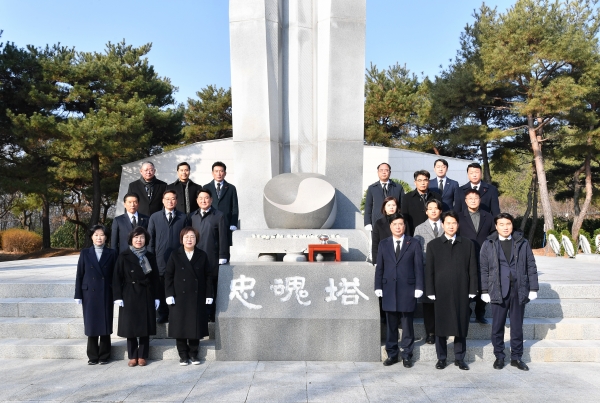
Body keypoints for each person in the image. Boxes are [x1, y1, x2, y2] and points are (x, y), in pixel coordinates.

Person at [480, 213, 539, 371]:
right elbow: (483, 269)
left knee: (517, 326)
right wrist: (484, 290)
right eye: (502, 224)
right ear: (496, 226)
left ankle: (516, 357)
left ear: (512, 225)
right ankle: (499, 356)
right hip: (497, 289)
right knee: (497, 326)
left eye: (508, 224)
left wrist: (533, 288)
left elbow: (531, 266)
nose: (505, 227)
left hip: (518, 289)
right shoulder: (488, 243)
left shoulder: (522, 242)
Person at [425, 210, 478, 371]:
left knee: (461, 325)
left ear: (458, 225)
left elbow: (472, 269)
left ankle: (459, 358)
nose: (451, 226)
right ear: (443, 225)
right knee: (441, 326)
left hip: (462, 290)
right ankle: (441, 358)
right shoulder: (433, 245)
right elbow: (429, 270)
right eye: (448, 223)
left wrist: (472, 289)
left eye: (454, 223)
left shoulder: (467, 244)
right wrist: (430, 290)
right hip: (441, 291)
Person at [374, 212, 423, 368]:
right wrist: (378, 286)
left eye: (400, 224)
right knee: (391, 325)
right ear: (390, 226)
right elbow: (379, 267)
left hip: (407, 289)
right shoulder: (383, 244)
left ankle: (407, 355)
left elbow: (418, 267)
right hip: (388, 289)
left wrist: (419, 287)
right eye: (395, 224)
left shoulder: (413, 243)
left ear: (404, 226)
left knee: (407, 325)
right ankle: (392, 354)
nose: (398, 227)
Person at [164, 227, 214, 365]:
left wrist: (209, 294)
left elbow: (208, 276)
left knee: (195, 326)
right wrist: (169, 294)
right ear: (182, 239)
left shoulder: (202, 255)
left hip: (197, 297)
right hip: (179, 297)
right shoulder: (175, 254)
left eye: (192, 236)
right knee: (180, 327)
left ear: (196, 239)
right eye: (186, 237)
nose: (189, 239)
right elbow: (168, 276)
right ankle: (183, 355)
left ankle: (193, 354)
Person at [113, 226, 160, 367]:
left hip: (146, 292)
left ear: (146, 240)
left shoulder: (150, 256)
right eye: (136, 237)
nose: (139, 240)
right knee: (130, 326)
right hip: (129, 293)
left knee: (145, 326)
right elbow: (116, 277)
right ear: (131, 239)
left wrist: (157, 296)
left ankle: (143, 355)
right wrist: (118, 296)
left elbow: (155, 278)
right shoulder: (124, 256)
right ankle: (133, 355)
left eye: (142, 237)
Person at [74, 225, 118, 365]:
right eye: (96, 235)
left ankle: (105, 355)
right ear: (91, 237)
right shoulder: (85, 253)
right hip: (89, 293)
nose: (99, 237)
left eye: (102, 235)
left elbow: (116, 275)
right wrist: (78, 294)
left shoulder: (112, 253)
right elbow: (80, 274)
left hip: (106, 291)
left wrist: (117, 293)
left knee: (105, 322)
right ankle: (92, 355)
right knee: (91, 323)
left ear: (106, 237)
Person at [148, 190, 188, 323]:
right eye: (167, 199)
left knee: (177, 285)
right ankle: (163, 313)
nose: (170, 201)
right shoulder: (154, 217)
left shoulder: (183, 217)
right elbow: (150, 239)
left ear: (176, 201)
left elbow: (187, 238)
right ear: (162, 201)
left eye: (173, 199)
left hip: (178, 258)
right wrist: (151, 257)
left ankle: (175, 312)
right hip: (160, 258)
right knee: (161, 286)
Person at [190, 188, 228, 322]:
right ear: (197, 200)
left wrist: (223, 255)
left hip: (212, 258)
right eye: (200, 198)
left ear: (211, 200)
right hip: (196, 258)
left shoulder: (219, 215)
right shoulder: (192, 216)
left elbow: (223, 237)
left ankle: (212, 314)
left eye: (206, 198)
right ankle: (200, 313)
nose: (203, 200)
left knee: (212, 286)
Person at [458, 189, 496, 324]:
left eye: (476, 198)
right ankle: (466, 311)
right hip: (465, 255)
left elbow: (493, 234)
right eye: (470, 198)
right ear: (465, 201)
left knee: (483, 283)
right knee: (465, 283)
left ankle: (480, 313)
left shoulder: (488, 216)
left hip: (484, 255)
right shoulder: (459, 216)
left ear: (480, 200)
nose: (473, 200)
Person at [412, 199, 444, 345]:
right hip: (426, 270)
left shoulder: (448, 225)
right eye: (430, 208)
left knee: (444, 302)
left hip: (445, 270)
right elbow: (417, 251)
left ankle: (443, 330)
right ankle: (430, 332)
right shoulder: (419, 229)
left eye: (436, 208)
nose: (433, 211)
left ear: (440, 210)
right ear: (426, 211)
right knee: (428, 304)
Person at [203, 161, 239, 247]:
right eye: (216, 171)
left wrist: (233, 223)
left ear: (225, 173)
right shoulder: (206, 187)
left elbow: (234, 207)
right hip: (210, 222)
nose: (219, 173)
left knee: (225, 249)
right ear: (212, 173)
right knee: (210, 247)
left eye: (221, 171)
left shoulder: (231, 188)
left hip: (225, 223)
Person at [364, 163, 404, 232]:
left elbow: (402, 205)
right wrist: (367, 223)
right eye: (381, 170)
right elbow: (368, 206)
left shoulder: (398, 187)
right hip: (377, 222)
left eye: (386, 170)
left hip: (395, 222)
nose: (384, 172)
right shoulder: (372, 188)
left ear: (390, 172)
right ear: (378, 172)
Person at [401, 170, 442, 236]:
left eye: (425, 180)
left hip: (433, 233)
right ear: (415, 182)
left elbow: (441, 216)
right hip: (413, 233)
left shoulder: (436, 196)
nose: (423, 183)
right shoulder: (407, 197)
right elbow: (404, 218)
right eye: (419, 180)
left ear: (428, 182)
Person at [371, 196, 400, 264]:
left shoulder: (403, 222)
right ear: (384, 207)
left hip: (400, 257)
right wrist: (375, 261)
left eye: (393, 205)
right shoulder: (379, 223)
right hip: (384, 258)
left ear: (397, 207)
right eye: (388, 205)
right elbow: (375, 243)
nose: (391, 207)